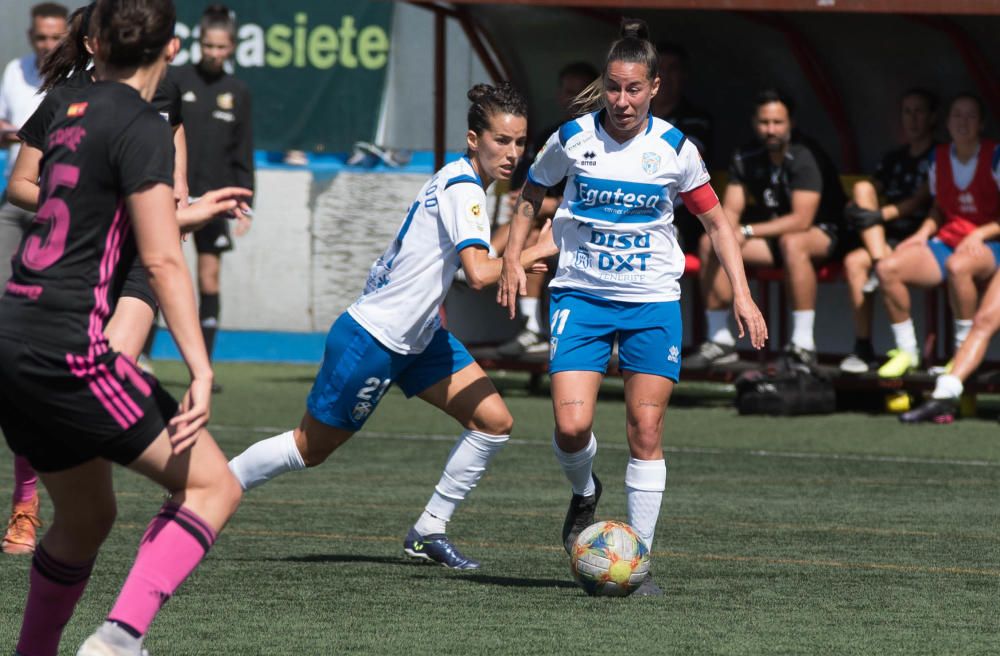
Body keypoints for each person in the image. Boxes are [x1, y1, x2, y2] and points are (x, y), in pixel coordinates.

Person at [228, 83, 557, 570]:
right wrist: (543, 248)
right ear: (473, 139)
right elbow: (479, 273)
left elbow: (478, 256)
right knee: (309, 448)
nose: (512, 153)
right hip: (375, 339)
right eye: (501, 141)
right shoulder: (464, 187)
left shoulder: (462, 182)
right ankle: (213, 485)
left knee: (493, 422)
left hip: (418, 338)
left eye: (519, 142)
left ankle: (428, 530)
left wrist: (525, 243)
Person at [0, 1, 243, 653]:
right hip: (67, 346)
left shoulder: (67, 106)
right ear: (170, 51)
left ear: (95, 42)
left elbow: (97, 212)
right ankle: (119, 639)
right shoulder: (143, 125)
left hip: (11, 333)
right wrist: (200, 366)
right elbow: (162, 259)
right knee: (214, 485)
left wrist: (183, 214)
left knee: (85, 518)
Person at [497, 19, 767, 596]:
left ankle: (637, 565)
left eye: (634, 89)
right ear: (605, 84)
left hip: (652, 303)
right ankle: (585, 492)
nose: (622, 100)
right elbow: (530, 196)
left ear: (655, 87)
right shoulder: (571, 138)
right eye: (614, 88)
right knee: (571, 427)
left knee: (646, 429)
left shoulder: (674, 149)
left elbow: (717, 222)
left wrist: (742, 293)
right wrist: (514, 258)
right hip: (581, 297)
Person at [686, 88, 846, 369]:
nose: (770, 130)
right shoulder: (747, 155)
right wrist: (727, 234)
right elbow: (731, 210)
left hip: (824, 233)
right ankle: (720, 339)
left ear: (790, 124)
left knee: (793, 243)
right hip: (773, 237)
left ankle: (803, 344)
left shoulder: (804, 155)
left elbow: (801, 220)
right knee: (710, 241)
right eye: (764, 122)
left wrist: (745, 232)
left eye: (777, 123)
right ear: (754, 123)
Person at [0, 2, 69, 558]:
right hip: (30, 213)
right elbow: (20, 185)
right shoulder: (38, 88)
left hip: (78, 230)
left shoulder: (143, 103)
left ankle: (36, 501)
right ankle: (26, 506)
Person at [875, 93, 1000, 378]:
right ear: (947, 122)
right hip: (948, 241)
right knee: (887, 268)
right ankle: (907, 351)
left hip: (991, 244)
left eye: (970, 116)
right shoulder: (939, 157)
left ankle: (962, 352)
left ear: (981, 124)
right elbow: (938, 208)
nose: (962, 122)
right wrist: (922, 234)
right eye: (957, 115)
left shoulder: (995, 156)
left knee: (959, 267)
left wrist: (980, 234)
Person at [170, 3, 254, 379]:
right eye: (208, 46)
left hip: (214, 202)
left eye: (221, 47)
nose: (214, 53)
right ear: (198, 43)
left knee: (208, 279)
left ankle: (202, 366)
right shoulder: (176, 81)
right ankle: (137, 357)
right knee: (160, 272)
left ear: (232, 48)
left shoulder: (237, 92)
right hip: (171, 197)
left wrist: (245, 203)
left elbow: (242, 151)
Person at [496, 61, 597, 357]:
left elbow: (594, 201)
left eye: (582, 92)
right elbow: (530, 191)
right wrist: (530, 202)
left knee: (537, 227)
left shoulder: (606, 138)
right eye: (568, 91)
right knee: (531, 233)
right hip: (550, 228)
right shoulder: (552, 136)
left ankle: (481, 259)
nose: (574, 98)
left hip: (589, 230)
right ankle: (531, 328)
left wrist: (551, 204)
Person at [838, 89, 937, 373]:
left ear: (932, 117)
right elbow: (870, 189)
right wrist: (856, 206)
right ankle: (863, 347)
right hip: (883, 239)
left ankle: (880, 266)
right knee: (854, 261)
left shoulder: (938, 155)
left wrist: (876, 214)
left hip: (920, 239)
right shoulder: (894, 157)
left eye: (919, 111)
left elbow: (919, 199)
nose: (913, 118)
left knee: (874, 260)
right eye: (907, 111)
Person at [650, 41, 714, 254]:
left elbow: (680, 163)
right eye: (661, 70)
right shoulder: (631, 116)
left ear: (684, 75)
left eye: (673, 69)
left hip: (679, 214)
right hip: (634, 203)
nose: (666, 77)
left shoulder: (697, 120)